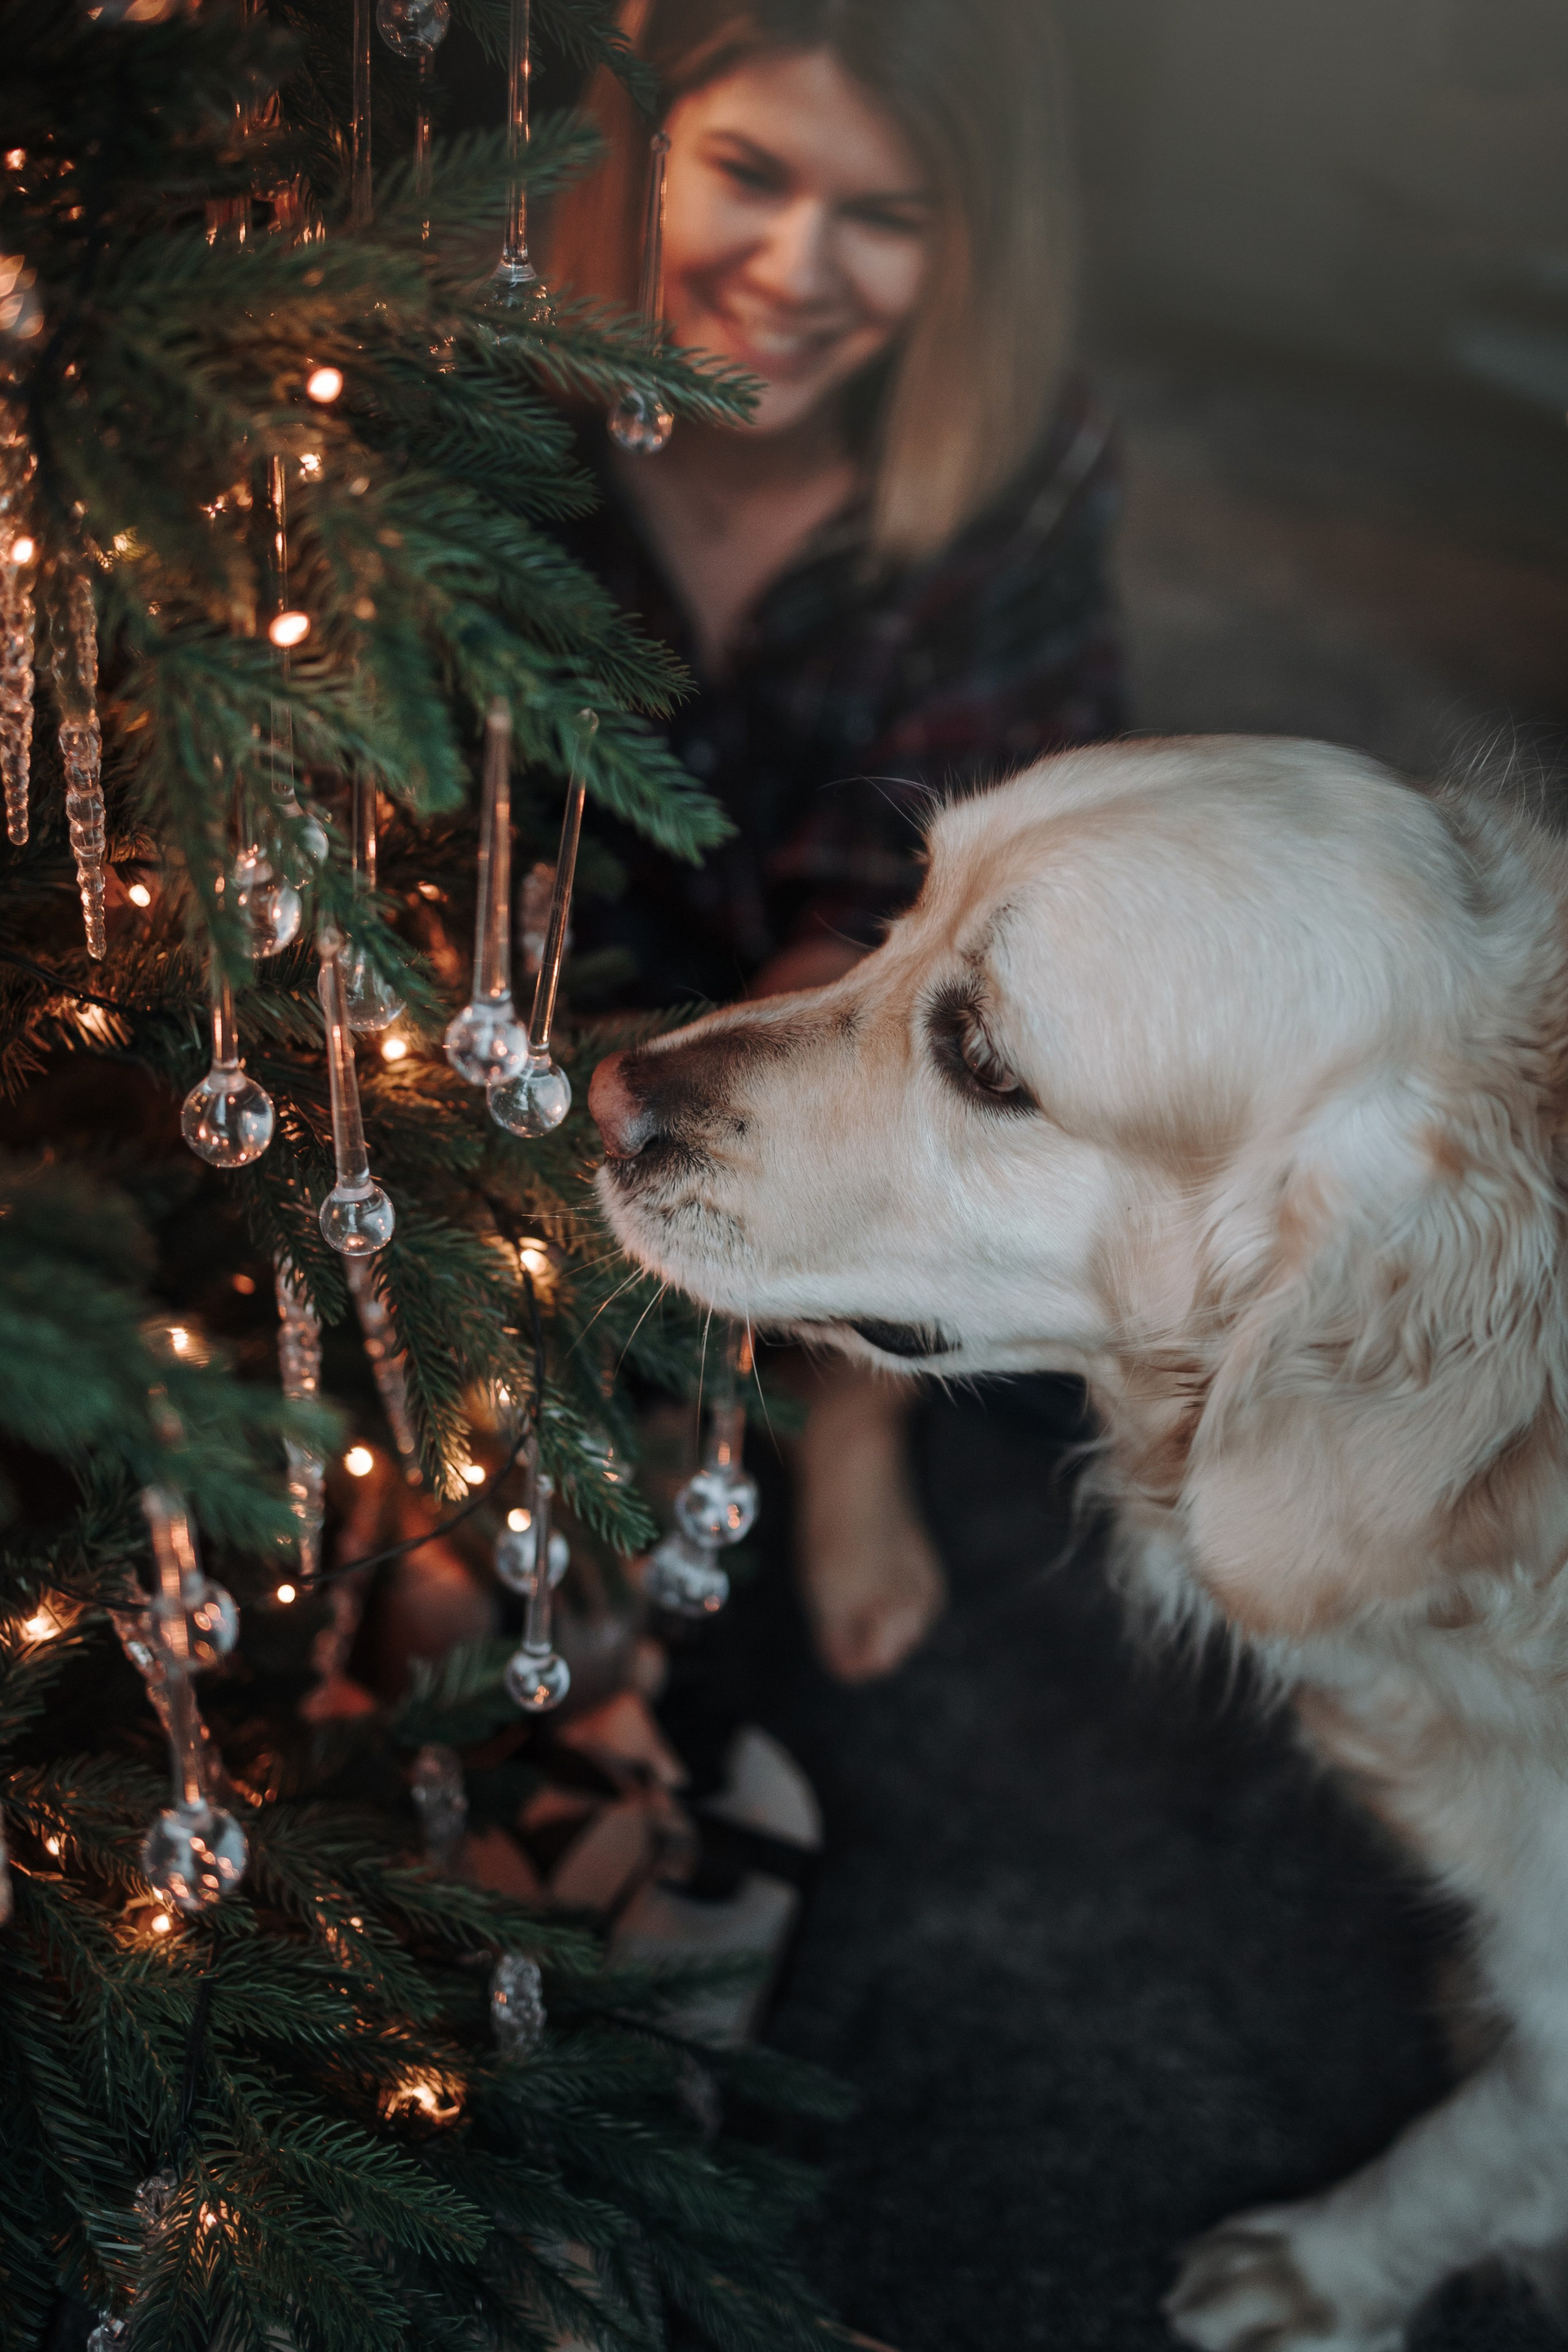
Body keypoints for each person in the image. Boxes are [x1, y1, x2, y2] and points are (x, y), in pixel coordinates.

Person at [548, 0, 1123, 1682]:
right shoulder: (469, 409)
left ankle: (848, 1409)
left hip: (876, 993)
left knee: (1022, 1116)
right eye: (748, 173)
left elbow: (917, 920)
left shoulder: (1023, 466)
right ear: (641, 140)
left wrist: (750, 1158)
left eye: (885, 217)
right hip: (556, 960)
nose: (800, 267)